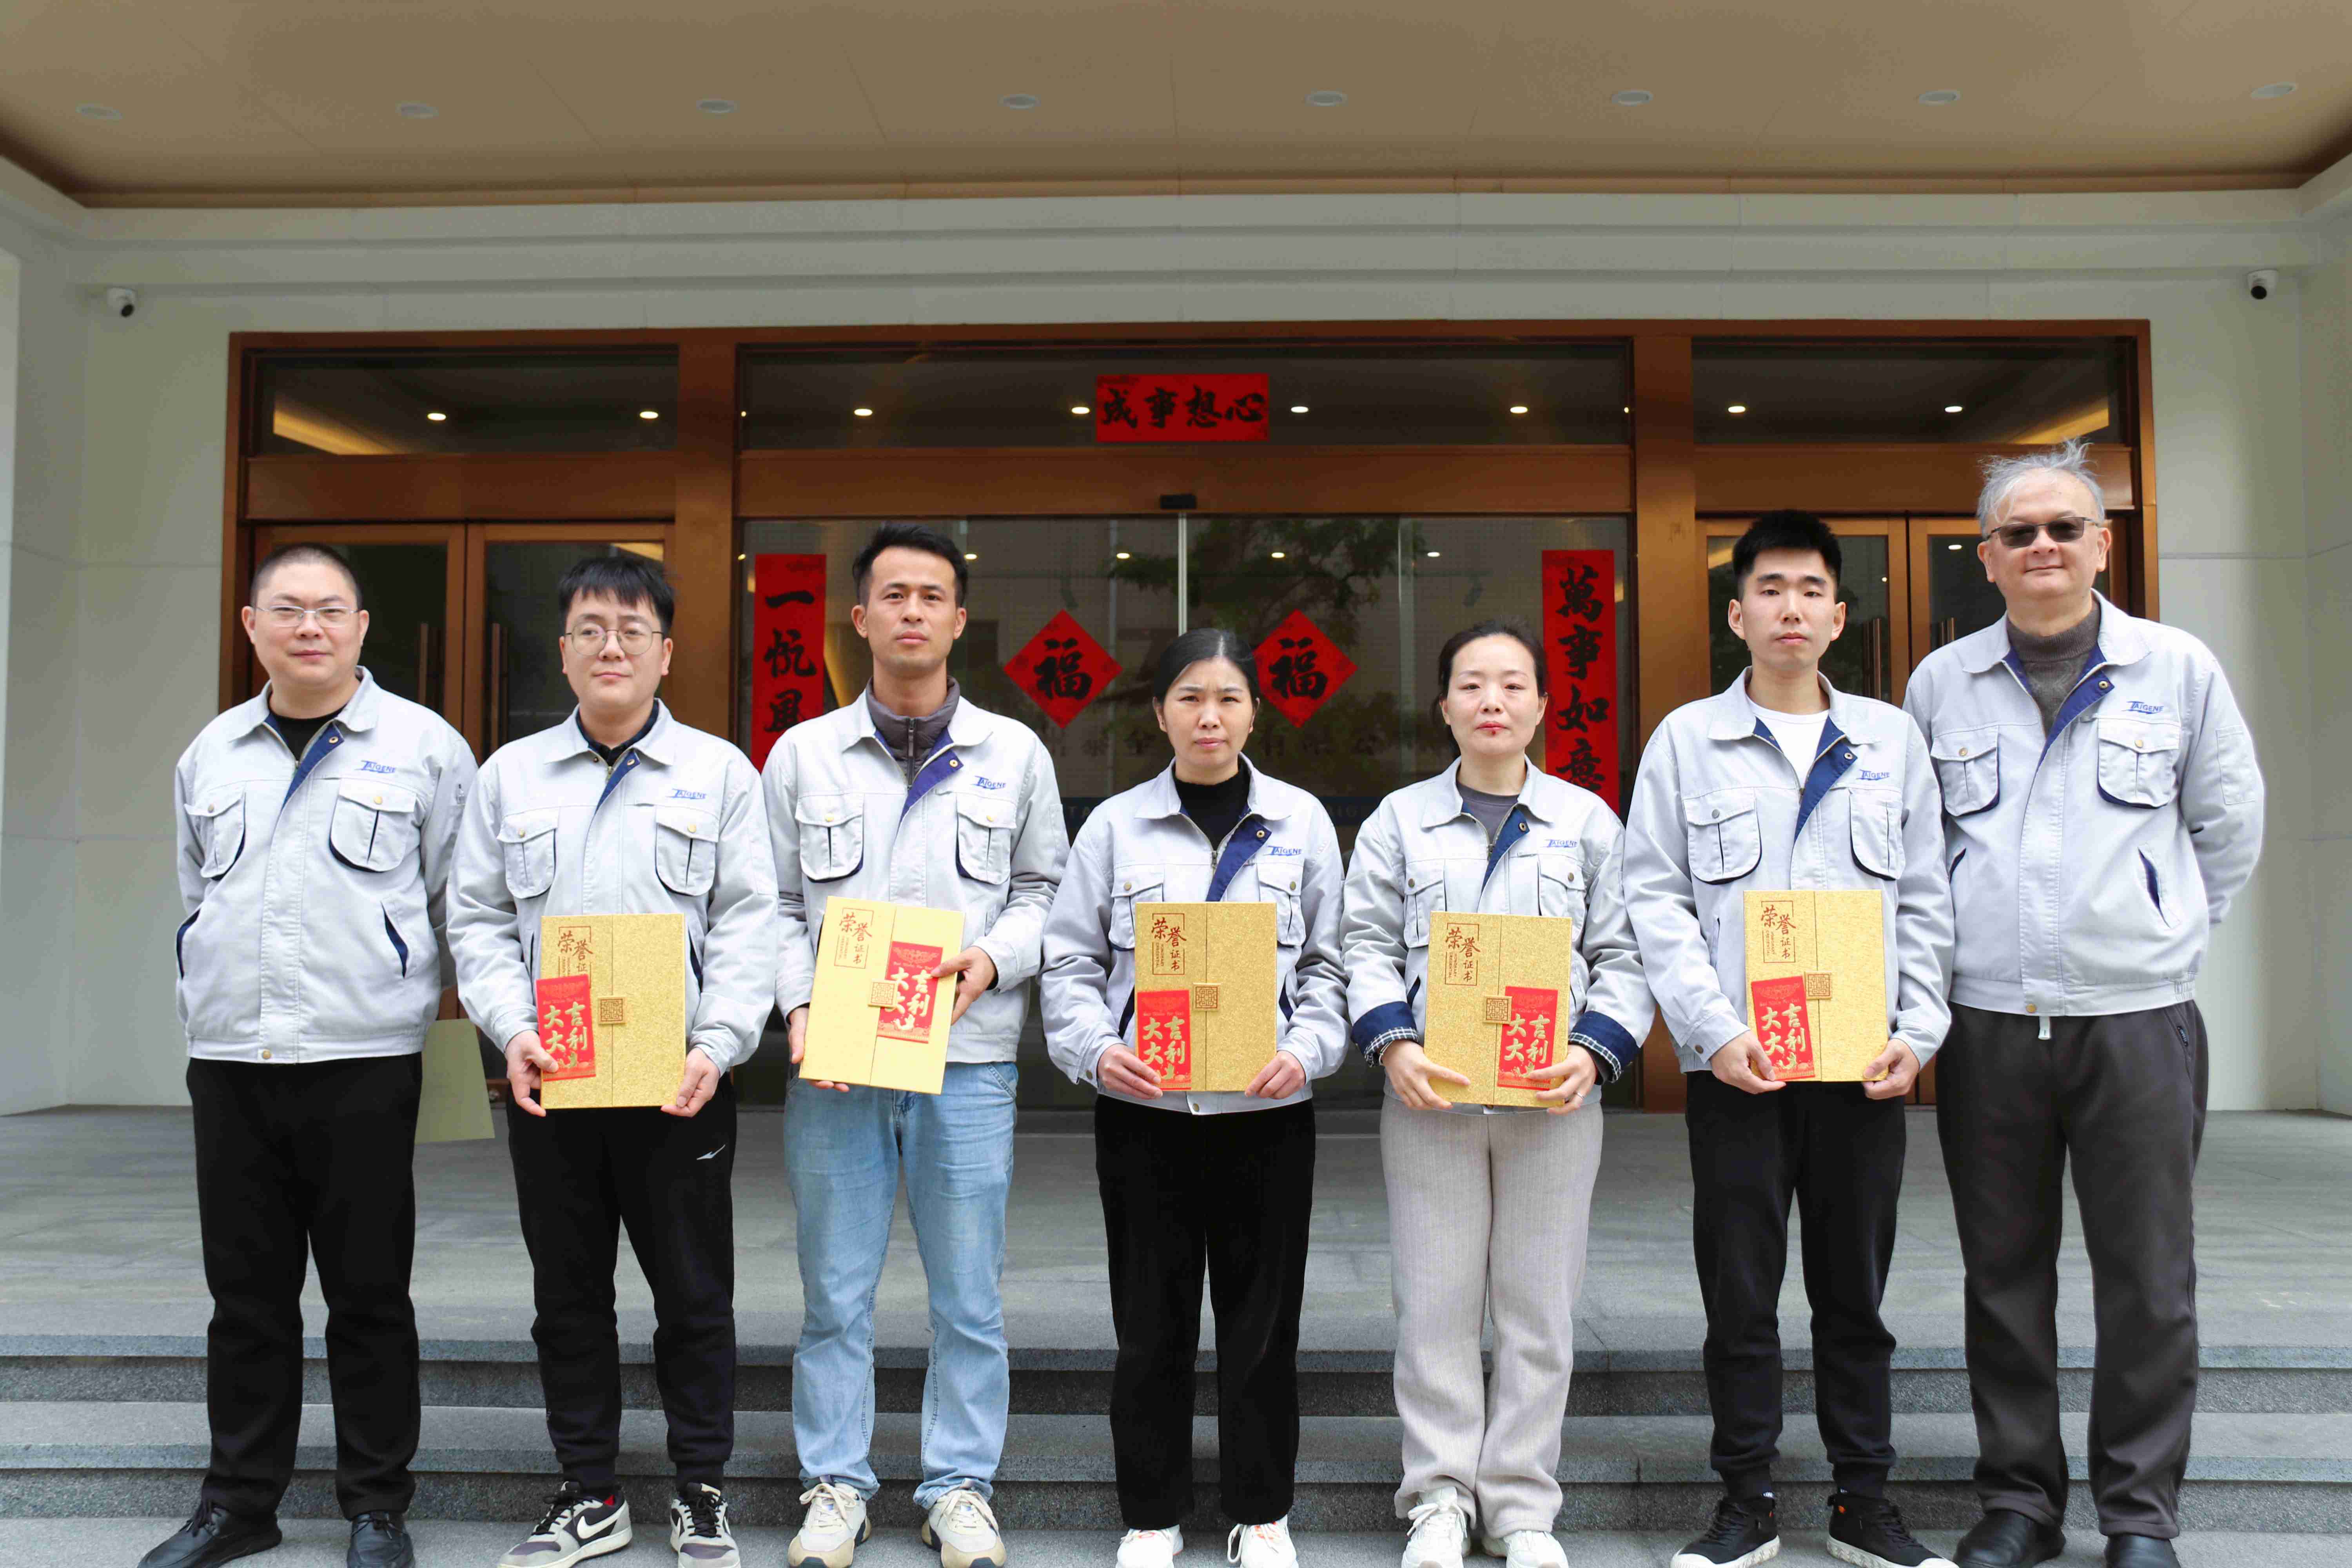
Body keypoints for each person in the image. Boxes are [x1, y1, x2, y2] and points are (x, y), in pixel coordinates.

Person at [1902, 442, 2264, 1568]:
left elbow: (2228, 825)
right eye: (2019, 533)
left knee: (2148, 1279)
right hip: (1990, 1021)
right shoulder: (1941, 683)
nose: (2044, 547)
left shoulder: (2178, 668)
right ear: (1987, 558)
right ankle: (2020, 1502)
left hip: (2138, 1019)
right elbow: (1919, 853)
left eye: (2066, 527)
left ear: (2104, 544)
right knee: (2002, 1274)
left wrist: (2159, 929)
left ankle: (2140, 1516)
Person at [1624, 512, 1955, 1568]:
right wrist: (1712, 1031)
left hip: (1863, 1066)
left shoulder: (1889, 741)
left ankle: (1865, 1501)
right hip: (1741, 1071)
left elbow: (1928, 900)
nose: (1792, 609)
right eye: (1770, 589)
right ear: (1737, 614)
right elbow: (1655, 899)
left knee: (1855, 1293)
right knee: (1740, 1294)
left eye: (1812, 590)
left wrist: (1919, 1030)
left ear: (1840, 616)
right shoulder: (1687, 740)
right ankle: (1747, 1500)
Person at [148, 544, 474, 1568]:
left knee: (369, 1295)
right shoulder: (212, 753)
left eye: (330, 610)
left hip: (364, 1057)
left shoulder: (423, 747)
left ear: (362, 627)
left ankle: (377, 1506)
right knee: (245, 1299)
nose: (310, 627)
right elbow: (198, 895)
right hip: (233, 1060)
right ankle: (239, 1503)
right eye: (287, 609)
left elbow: (456, 902)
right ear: (252, 626)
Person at [449, 553, 777, 1568]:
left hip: (681, 1086)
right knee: (568, 1297)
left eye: (633, 630)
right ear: (563, 650)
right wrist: (513, 1030)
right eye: (591, 628)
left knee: (695, 1297)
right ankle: (589, 1490)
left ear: (666, 652)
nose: (611, 647)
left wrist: (719, 1044)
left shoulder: (719, 773)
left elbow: (750, 921)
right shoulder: (509, 776)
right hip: (555, 1082)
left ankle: (701, 1488)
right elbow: (477, 920)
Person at [766, 524, 1069, 1568]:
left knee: (969, 1293)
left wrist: (992, 959)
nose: (911, 612)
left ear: (958, 620)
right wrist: (799, 1007)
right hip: (838, 1059)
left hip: (968, 1056)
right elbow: (773, 902)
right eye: (892, 595)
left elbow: (1045, 890)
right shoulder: (804, 753)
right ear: (860, 618)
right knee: (834, 1292)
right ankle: (835, 1486)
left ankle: (959, 1486)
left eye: (931, 596)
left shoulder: (1013, 753)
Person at [1341, 619, 1653, 1568]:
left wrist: (1595, 1052)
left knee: (1538, 1306)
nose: (1492, 701)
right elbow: (1363, 942)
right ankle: (1438, 1494)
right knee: (1433, 1303)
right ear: (1443, 706)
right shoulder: (1399, 820)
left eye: (1513, 684)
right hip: (1430, 1097)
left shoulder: (1587, 821)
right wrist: (1393, 1043)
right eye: (1472, 683)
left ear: (1543, 705)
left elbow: (1626, 952)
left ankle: (1520, 1502)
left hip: (1552, 1099)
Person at [1039, 628, 1347, 1568]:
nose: (1209, 716)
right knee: (1151, 1321)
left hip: (1266, 1114)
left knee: (1264, 1325)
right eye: (1189, 698)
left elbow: (1332, 962)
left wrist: (1307, 1049)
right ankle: (1152, 1512)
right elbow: (1068, 959)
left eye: (1228, 698)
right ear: (1160, 712)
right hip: (1147, 1116)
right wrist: (1097, 1050)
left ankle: (1262, 1510)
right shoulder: (1115, 826)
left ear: (1255, 712)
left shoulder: (1301, 821)